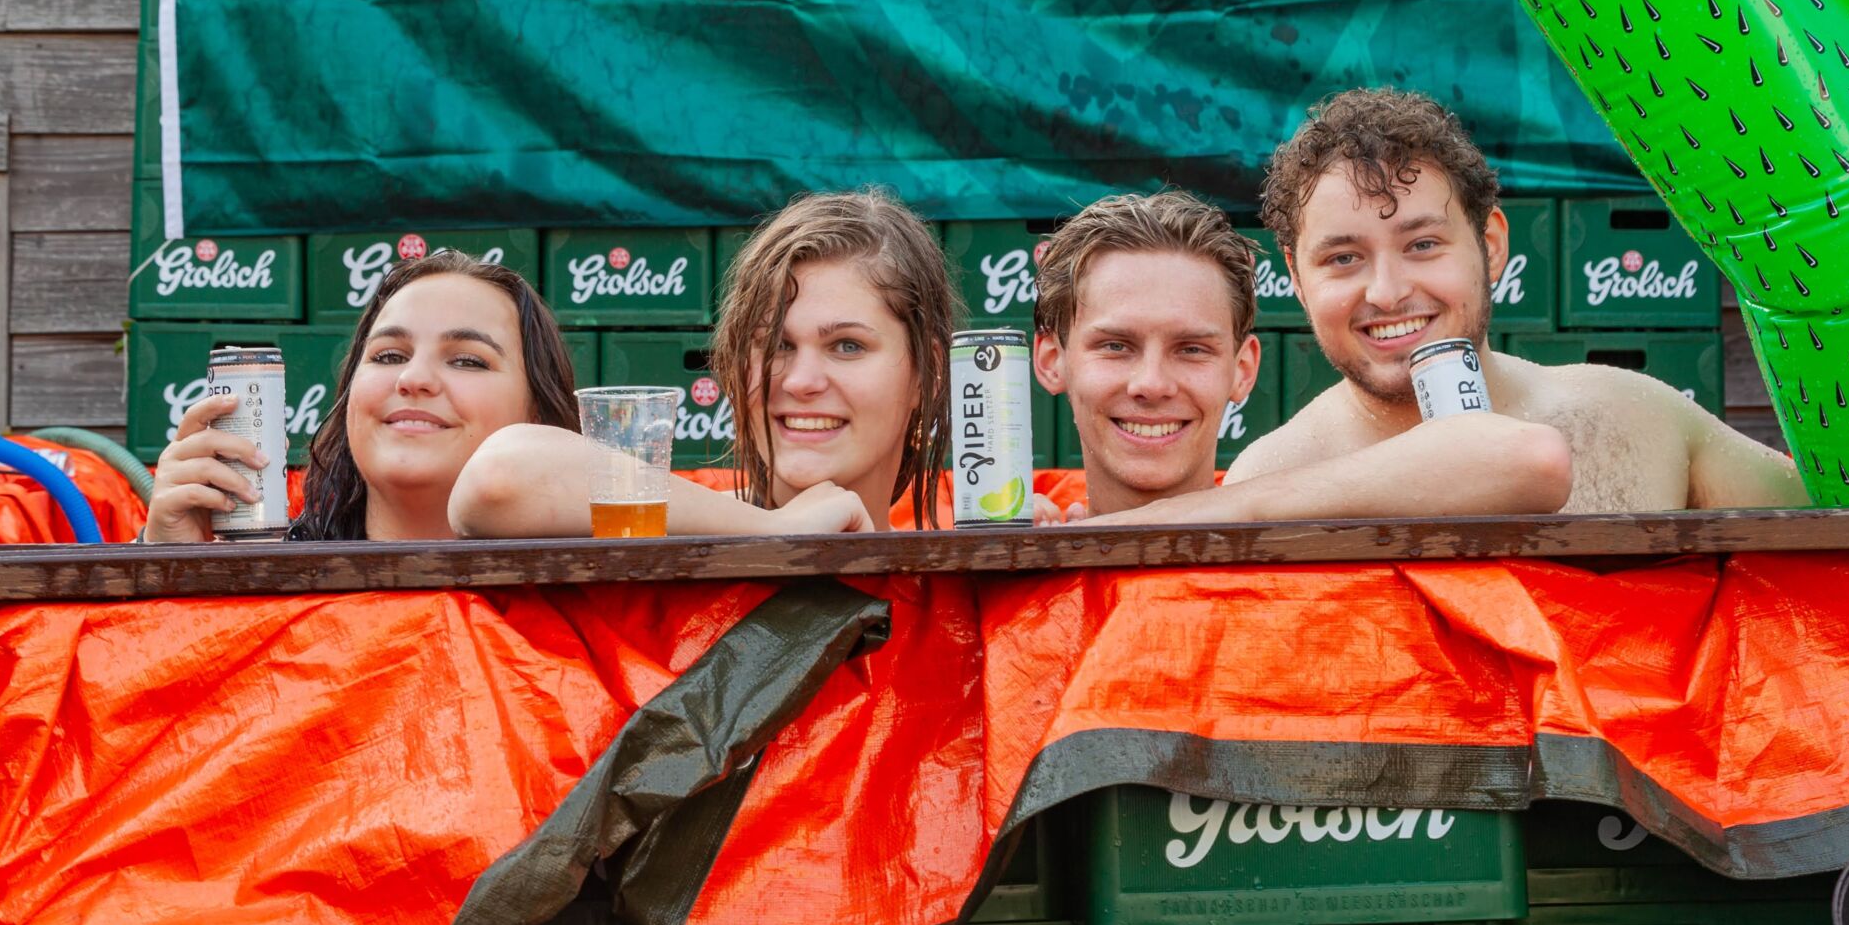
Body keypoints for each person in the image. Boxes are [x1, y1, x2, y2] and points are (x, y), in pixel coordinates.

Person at [1229, 87, 1807, 512]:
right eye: (1343, 259)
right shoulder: (1270, 476)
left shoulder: (1639, 418)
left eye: (1423, 244)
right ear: (1298, 280)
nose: (1387, 292)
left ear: (1491, 246)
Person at [1034, 190, 1572, 522]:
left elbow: (1531, 458)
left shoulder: (1287, 502)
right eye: (1115, 347)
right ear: (1051, 360)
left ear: (1243, 369)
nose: (1151, 383)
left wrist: (1202, 516)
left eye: (1191, 349)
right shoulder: (1013, 520)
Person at [448, 190, 955, 536]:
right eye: (775, 345)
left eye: (848, 346)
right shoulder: (679, 512)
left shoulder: (976, 566)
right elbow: (497, 478)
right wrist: (773, 530)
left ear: (925, 375)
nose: (801, 381)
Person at [142, 249, 586, 542]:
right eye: (389, 355)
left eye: (468, 360)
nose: (413, 378)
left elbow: (496, 482)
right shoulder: (268, 567)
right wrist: (171, 569)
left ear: (539, 411)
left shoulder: (604, 589)